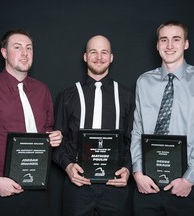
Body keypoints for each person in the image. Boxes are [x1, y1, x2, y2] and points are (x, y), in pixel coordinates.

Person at [0, 29, 62, 216]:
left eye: (29, 48)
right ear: (4, 53)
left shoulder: (42, 91)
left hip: (37, 188)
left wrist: (53, 137)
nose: (25, 53)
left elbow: (46, 130)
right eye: (17, 47)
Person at [130, 20, 194, 216]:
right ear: (157, 45)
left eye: (176, 39)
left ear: (186, 44)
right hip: (147, 184)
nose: (169, 46)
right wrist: (137, 173)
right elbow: (137, 130)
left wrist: (188, 180)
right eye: (164, 40)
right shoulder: (144, 81)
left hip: (185, 185)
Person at [53, 35, 135, 216]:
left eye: (104, 52)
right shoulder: (67, 95)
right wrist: (67, 167)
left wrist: (128, 169)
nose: (99, 57)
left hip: (115, 186)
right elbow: (56, 142)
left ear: (111, 57)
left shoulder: (127, 96)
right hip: (78, 186)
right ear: (85, 56)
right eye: (93, 52)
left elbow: (133, 139)